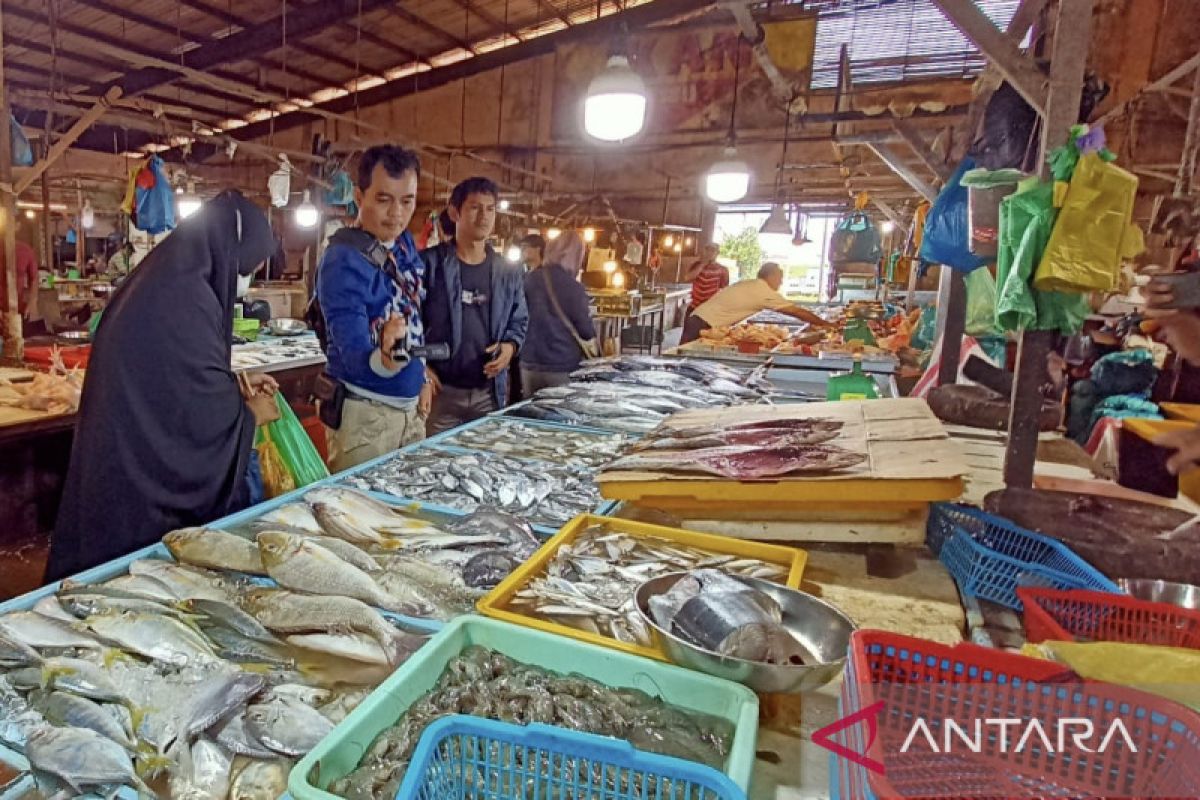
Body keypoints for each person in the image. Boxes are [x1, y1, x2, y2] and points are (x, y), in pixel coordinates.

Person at [46, 191, 279, 581]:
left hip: (122, 457)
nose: (245, 279)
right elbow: (194, 415)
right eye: (246, 266)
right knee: (126, 585)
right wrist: (249, 415)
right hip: (139, 496)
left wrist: (230, 385)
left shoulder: (168, 281)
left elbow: (173, 385)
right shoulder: (185, 301)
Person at [315, 145, 429, 472]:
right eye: (383, 199)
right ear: (359, 195)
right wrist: (385, 360)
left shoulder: (405, 244)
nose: (396, 213)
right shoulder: (342, 260)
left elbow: (413, 315)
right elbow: (351, 351)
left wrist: (421, 374)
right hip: (366, 418)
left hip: (410, 411)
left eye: (407, 200)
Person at [422, 177, 528, 434]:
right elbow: (408, 318)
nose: (484, 216)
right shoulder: (429, 264)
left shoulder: (507, 271)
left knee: (483, 464)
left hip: (488, 392)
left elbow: (519, 319)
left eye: (490, 209)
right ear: (454, 212)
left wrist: (510, 346)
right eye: (475, 207)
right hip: (439, 392)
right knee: (432, 466)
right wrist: (419, 367)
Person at [521, 231, 597, 395]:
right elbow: (585, 331)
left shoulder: (529, 280)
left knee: (529, 416)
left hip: (529, 363)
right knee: (558, 415)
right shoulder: (574, 287)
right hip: (562, 365)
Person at [680, 262, 832, 344]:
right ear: (770, 276)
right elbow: (796, 312)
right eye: (779, 277)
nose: (781, 282)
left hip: (701, 319)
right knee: (683, 363)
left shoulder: (753, 284)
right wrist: (824, 324)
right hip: (701, 323)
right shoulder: (762, 290)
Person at [682, 243, 729, 313]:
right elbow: (687, 278)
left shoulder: (722, 269)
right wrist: (703, 264)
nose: (709, 252)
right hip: (694, 307)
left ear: (717, 253)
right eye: (707, 250)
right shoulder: (697, 265)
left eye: (712, 250)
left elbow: (724, 290)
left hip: (710, 309)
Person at [0, 239, 39, 319]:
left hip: (16, 309)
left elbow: (34, 278)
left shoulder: (25, 251)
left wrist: (32, 301)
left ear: (17, 226)